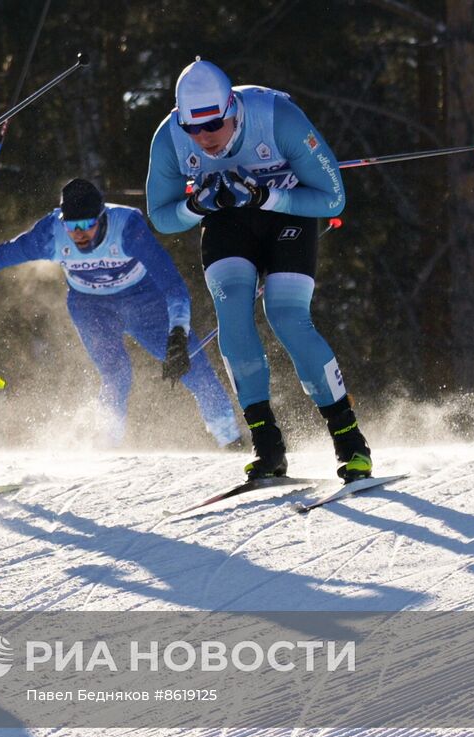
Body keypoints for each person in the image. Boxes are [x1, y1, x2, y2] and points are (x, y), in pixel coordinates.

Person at [145, 59, 373, 482]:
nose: (204, 138)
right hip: (228, 221)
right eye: (192, 128)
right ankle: (267, 445)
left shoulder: (278, 118)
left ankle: (349, 441)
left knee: (286, 316)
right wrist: (195, 206)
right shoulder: (169, 138)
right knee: (232, 314)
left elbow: (332, 199)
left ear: (232, 109)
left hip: (287, 211)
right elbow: (161, 215)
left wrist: (264, 194)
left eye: (213, 124)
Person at [0, 178, 241, 449]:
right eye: (71, 225)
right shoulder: (51, 233)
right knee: (116, 374)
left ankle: (230, 440)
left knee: (193, 365)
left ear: (102, 217)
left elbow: (173, 285)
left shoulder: (127, 227)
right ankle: (106, 447)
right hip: (91, 308)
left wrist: (178, 332)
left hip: (144, 302)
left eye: (87, 224)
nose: (79, 233)